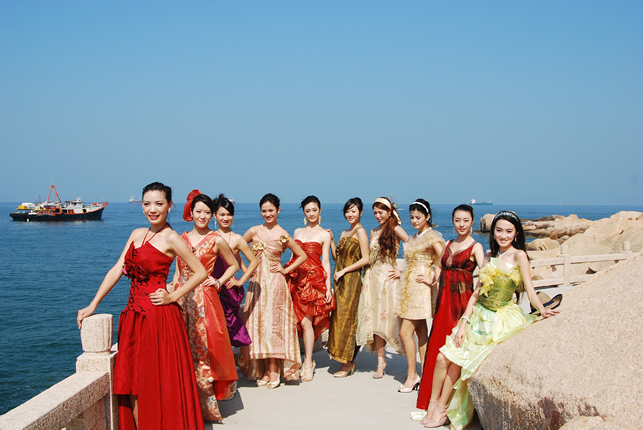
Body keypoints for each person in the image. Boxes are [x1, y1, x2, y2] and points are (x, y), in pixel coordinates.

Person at [76, 182, 206, 430]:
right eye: (147, 204)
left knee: (154, 379)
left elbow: (200, 272)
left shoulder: (172, 238)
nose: (152, 209)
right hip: (132, 316)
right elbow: (117, 269)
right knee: (132, 380)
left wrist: (172, 296)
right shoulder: (137, 234)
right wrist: (93, 304)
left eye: (159, 204)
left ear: (169, 206)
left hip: (158, 317)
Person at [422, 211, 559, 429]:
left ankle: (441, 408)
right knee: (442, 358)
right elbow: (476, 294)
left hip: (499, 317)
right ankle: (433, 405)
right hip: (478, 315)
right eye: (499, 230)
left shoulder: (519, 256)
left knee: (457, 361)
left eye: (509, 231)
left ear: (516, 233)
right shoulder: (488, 256)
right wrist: (464, 323)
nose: (503, 235)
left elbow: (531, 289)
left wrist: (542, 310)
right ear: (493, 232)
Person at [169, 190, 239, 421]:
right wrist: (173, 289)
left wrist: (218, 282)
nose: (202, 216)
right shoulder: (181, 238)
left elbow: (233, 265)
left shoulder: (216, 239)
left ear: (212, 215)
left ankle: (205, 407)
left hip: (204, 299)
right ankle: (184, 404)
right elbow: (178, 269)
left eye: (207, 212)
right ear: (191, 212)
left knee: (204, 349)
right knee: (182, 349)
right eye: (198, 211)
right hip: (181, 297)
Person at [416, 205, 484, 422]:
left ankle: (446, 405)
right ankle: (432, 401)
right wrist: (434, 280)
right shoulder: (447, 243)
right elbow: (439, 266)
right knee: (437, 349)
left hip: (461, 305)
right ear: (453, 222)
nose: (461, 224)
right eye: (457, 220)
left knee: (452, 354)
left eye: (466, 220)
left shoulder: (476, 246)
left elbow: (485, 275)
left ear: (472, 222)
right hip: (444, 302)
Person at [238, 193, 307, 388]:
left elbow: (301, 255)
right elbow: (234, 249)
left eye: (271, 210)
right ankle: (265, 370)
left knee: (274, 327)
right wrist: (246, 271)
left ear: (278, 210)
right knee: (258, 325)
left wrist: (285, 269)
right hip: (257, 284)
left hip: (275, 284)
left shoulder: (282, 233)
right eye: (264, 211)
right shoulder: (253, 231)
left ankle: (274, 369)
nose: (267, 214)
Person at [394, 199, 444, 393]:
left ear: (427, 216)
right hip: (410, 287)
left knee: (405, 332)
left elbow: (444, 257)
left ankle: (412, 376)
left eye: (418, 217)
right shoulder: (416, 236)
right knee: (421, 332)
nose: (414, 221)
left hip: (420, 289)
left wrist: (433, 278)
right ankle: (426, 374)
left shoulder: (432, 236)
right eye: (412, 217)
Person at [356, 196, 409, 378]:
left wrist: (402, 270)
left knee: (390, 321)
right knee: (375, 322)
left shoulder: (395, 228)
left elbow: (413, 248)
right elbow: (369, 257)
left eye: (381, 212)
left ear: (389, 212)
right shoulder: (373, 231)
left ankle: (410, 364)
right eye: (375, 213)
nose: (378, 216)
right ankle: (380, 362)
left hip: (388, 280)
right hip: (372, 279)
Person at [284, 195, 335, 382]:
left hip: (313, 282)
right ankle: (295, 360)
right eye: (307, 210)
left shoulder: (324, 234)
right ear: (304, 212)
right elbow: (293, 257)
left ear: (320, 210)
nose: (311, 213)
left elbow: (326, 262)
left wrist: (328, 288)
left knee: (307, 323)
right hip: (296, 279)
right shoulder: (297, 231)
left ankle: (308, 362)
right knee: (294, 323)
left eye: (314, 210)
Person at [327, 197, 370, 377]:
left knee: (349, 319)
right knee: (338, 318)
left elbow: (366, 258)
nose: (350, 214)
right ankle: (342, 357)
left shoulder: (361, 232)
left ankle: (349, 362)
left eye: (353, 211)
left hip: (351, 280)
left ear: (361, 212)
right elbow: (337, 259)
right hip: (340, 281)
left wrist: (344, 271)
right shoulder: (345, 232)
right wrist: (331, 241)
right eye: (347, 211)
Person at [212, 194, 257, 348]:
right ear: (215, 215)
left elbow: (254, 262)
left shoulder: (237, 239)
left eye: (229, 214)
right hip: (210, 286)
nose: (226, 218)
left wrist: (240, 281)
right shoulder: (209, 237)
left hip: (227, 289)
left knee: (227, 329)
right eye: (222, 214)